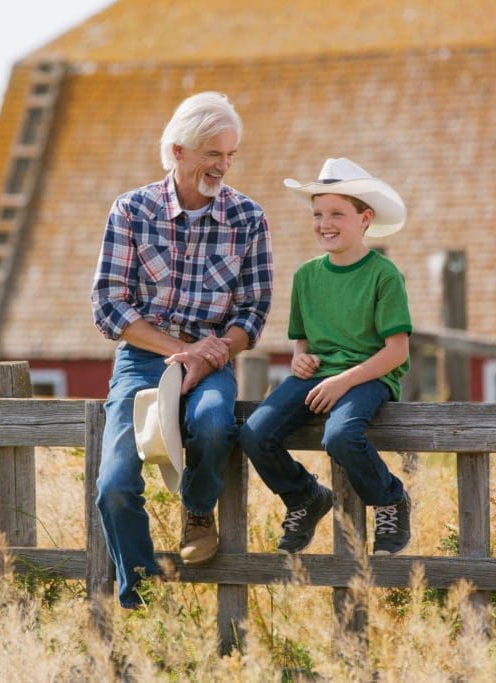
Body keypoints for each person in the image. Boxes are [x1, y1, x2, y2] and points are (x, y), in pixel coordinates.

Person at [90, 91, 273, 608]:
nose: (224, 165)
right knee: (114, 485)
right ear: (178, 152)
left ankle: (197, 509)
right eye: (213, 153)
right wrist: (180, 350)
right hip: (143, 359)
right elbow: (109, 306)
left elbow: (253, 315)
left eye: (230, 155)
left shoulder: (248, 218)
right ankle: (143, 596)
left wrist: (207, 356)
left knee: (215, 423)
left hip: (212, 361)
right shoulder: (131, 210)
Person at [238, 157, 412, 556]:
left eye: (337, 213)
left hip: (367, 377)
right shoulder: (306, 277)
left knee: (341, 435)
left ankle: (389, 499)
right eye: (317, 214)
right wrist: (300, 358)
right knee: (254, 433)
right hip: (316, 377)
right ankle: (304, 497)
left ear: (365, 218)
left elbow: (397, 351)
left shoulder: (384, 275)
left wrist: (343, 380)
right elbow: (302, 342)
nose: (324, 223)